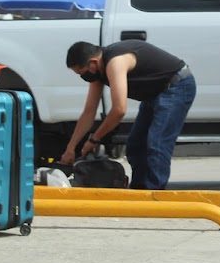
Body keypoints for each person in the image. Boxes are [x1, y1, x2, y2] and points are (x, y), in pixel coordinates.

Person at [60, 40, 196, 190]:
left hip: (177, 86)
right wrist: (70, 148)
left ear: (93, 62)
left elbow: (119, 110)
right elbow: (88, 112)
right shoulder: (97, 72)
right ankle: (139, 191)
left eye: (82, 73)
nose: (83, 77)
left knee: (157, 143)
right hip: (154, 94)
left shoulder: (115, 61)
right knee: (136, 145)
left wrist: (95, 139)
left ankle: (154, 195)